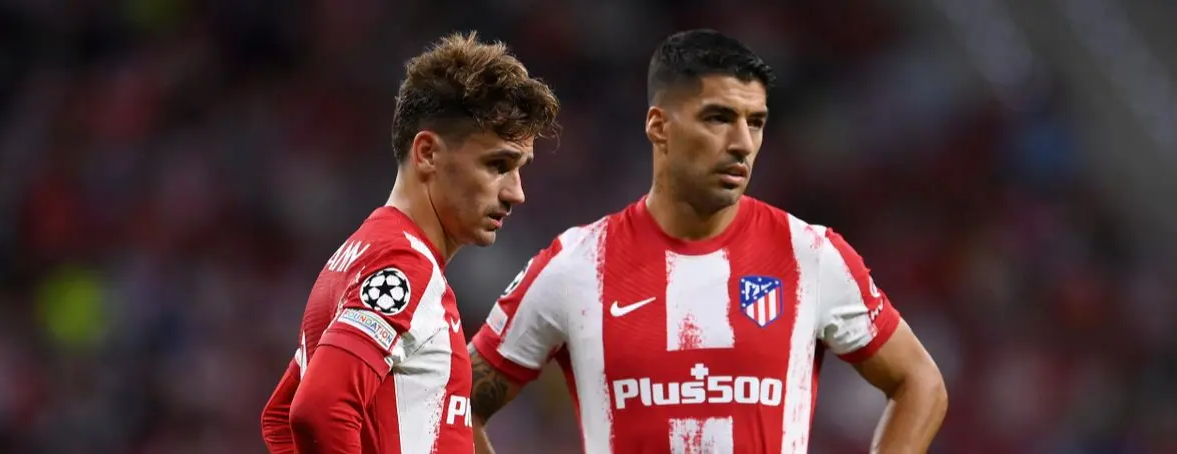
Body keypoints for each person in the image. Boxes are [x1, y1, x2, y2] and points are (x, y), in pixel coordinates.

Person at [468, 29, 946, 453]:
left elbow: (920, 383)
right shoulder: (575, 265)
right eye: (718, 118)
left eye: (755, 122)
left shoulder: (810, 256)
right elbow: (455, 404)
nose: (742, 143)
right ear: (659, 126)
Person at [260, 32, 560, 454]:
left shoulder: (360, 255)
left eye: (519, 169)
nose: (516, 193)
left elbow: (280, 416)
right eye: (498, 165)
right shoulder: (402, 266)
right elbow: (318, 409)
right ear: (428, 153)